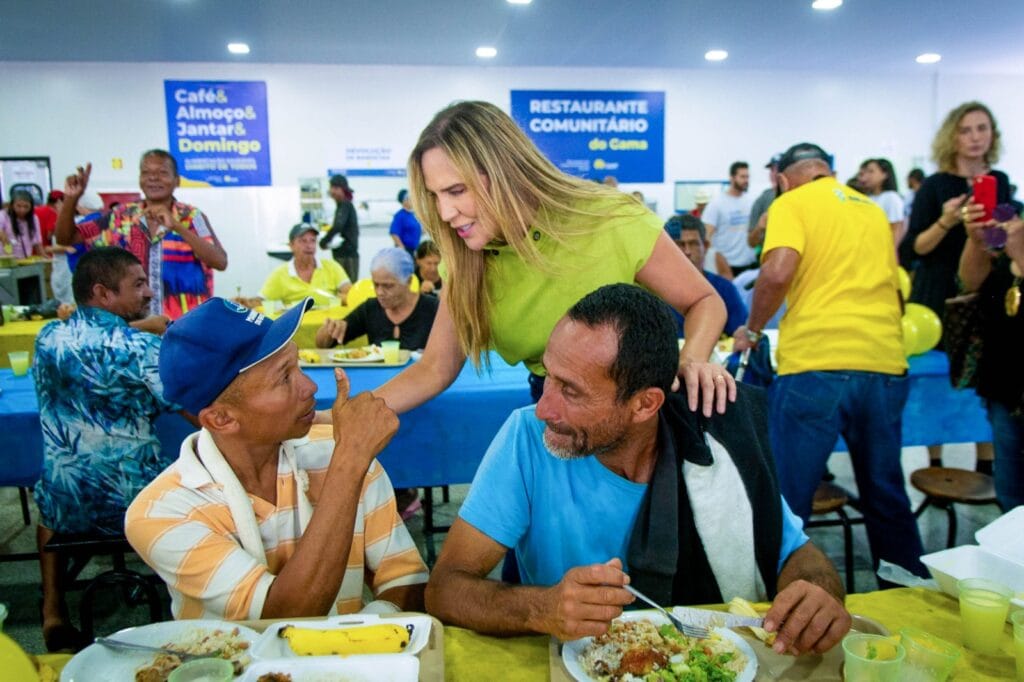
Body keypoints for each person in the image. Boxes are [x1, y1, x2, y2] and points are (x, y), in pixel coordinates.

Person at [426, 284, 850, 654]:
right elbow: (445, 590)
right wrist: (542, 608)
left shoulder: (710, 446)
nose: (544, 408)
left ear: (645, 404)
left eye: (570, 391)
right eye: (549, 378)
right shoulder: (526, 438)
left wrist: (815, 593)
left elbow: (797, 554)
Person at [372, 101, 734, 419]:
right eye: (435, 196)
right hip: (553, 409)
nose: (446, 213)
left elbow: (704, 301)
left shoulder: (608, 220)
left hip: (636, 412)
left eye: (456, 191)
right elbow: (436, 367)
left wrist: (692, 361)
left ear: (505, 173)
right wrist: (340, 415)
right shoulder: (464, 259)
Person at [126, 296, 428, 620]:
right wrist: (350, 461)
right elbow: (284, 618)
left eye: (298, 365)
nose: (310, 386)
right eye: (285, 377)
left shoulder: (334, 452)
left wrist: (369, 630)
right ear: (222, 419)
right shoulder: (162, 512)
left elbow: (406, 580)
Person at [733, 142, 927, 582]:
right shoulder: (873, 209)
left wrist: (754, 327)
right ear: (828, 170)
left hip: (817, 364)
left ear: (784, 178)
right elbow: (895, 284)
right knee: (886, 494)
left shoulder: (792, 203)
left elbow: (779, 271)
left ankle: (777, 607)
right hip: (884, 361)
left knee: (789, 500)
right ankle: (906, 599)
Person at [33, 247, 180, 650]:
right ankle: (191, 600)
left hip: (69, 503)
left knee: (47, 493)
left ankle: (52, 610)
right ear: (102, 293)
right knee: (205, 476)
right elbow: (192, 407)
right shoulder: (140, 350)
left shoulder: (47, 338)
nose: (149, 292)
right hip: (134, 502)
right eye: (137, 284)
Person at [898, 101, 1009, 472]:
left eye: (982, 128)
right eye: (966, 130)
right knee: (936, 376)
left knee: (985, 372)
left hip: (985, 289)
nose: (976, 138)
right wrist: (948, 221)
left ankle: (987, 462)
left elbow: (1002, 242)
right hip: (938, 292)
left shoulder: (1001, 181)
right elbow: (915, 247)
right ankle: (935, 461)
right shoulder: (934, 186)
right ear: (952, 136)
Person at [54, 152, 228, 320]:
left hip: (186, 327)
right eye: (146, 173)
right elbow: (66, 238)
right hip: (135, 329)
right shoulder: (119, 216)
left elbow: (219, 261)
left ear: (177, 181)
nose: (153, 178)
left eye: (162, 173)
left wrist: (177, 226)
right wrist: (71, 199)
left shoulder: (193, 217)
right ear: (140, 179)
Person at [958, 199, 1024, 510]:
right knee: (1010, 494)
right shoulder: (1014, 229)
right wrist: (974, 239)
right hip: (1005, 385)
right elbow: (971, 283)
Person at [316, 247, 438, 351]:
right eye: (376, 284)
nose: (380, 292)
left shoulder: (433, 309)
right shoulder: (371, 308)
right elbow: (322, 345)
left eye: (388, 286)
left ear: (408, 281)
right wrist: (330, 330)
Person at [664, 214, 746, 336]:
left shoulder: (724, 289)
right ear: (667, 248)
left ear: (706, 246)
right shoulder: (655, 291)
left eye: (693, 243)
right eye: (680, 244)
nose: (687, 251)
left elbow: (739, 333)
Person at [260, 223, 351, 307]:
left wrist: (344, 299)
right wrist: (248, 303)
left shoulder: (331, 266)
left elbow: (351, 294)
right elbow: (260, 301)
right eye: (303, 241)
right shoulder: (280, 274)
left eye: (313, 241)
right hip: (299, 324)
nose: (309, 246)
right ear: (291, 246)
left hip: (328, 322)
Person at [703, 161, 757, 277]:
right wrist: (717, 262)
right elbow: (706, 235)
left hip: (749, 265)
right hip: (727, 267)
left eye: (747, 177)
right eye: (742, 177)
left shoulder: (751, 202)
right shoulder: (716, 204)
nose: (746, 180)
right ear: (732, 178)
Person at [319, 174, 360, 281]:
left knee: (346, 287)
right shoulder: (343, 206)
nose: (332, 191)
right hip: (346, 253)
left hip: (346, 255)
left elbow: (338, 226)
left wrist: (324, 241)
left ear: (343, 190)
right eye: (331, 188)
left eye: (336, 188)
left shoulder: (344, 205)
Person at [857, 158, 905, 244]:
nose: (866, 176)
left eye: (871, 171)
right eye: (866, 171)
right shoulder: (867, 197)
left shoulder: (891, 197)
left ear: (884, 174)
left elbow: (896, 230)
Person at [747, 154, 781, 258]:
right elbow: (751, 242)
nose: (774, 174)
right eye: (772, 170)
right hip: (768, 259)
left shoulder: (798, 198)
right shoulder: (762, 200)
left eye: (778, 169)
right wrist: (759, 227)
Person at [0, 189, 45, 258]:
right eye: (18, 206)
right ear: (12, 205)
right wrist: (3, 237)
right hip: (5, 259)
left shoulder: (34, 218)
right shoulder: (3, 215)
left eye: (26, 206)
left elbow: (37, 241)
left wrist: (43, 256)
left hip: (25, 258)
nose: (22, 210)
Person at [389, 189, 422, 257]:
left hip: (415, 250)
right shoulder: (400, 216)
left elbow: (417, 231)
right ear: (404, 201)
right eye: (409, 198)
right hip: (405, 251)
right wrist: (402, 249)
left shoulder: (413, 215)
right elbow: (394, 233)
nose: (412, 200)